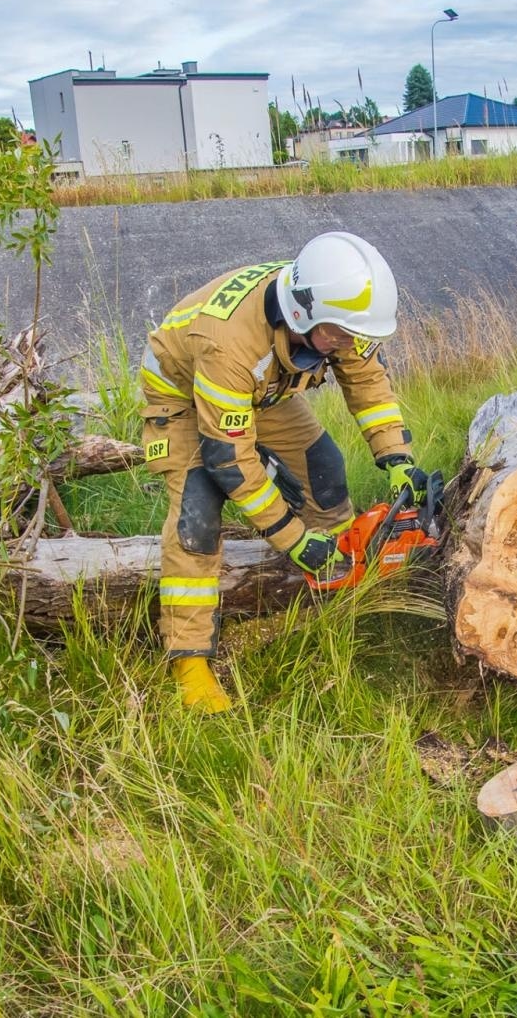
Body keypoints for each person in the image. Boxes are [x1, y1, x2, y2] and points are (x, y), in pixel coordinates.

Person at [140, 231, 431, 713]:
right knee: (199, 514)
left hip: (263, 388)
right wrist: (291, 537)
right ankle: (188, 660)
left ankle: (337, 585)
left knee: (324, 470)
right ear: (301, 314)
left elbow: (367, 381)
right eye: (339, 335)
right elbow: (229, 459)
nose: (347, 343)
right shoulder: (227, 340)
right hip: (184, 396)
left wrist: (396, 458)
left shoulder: (337, 308)